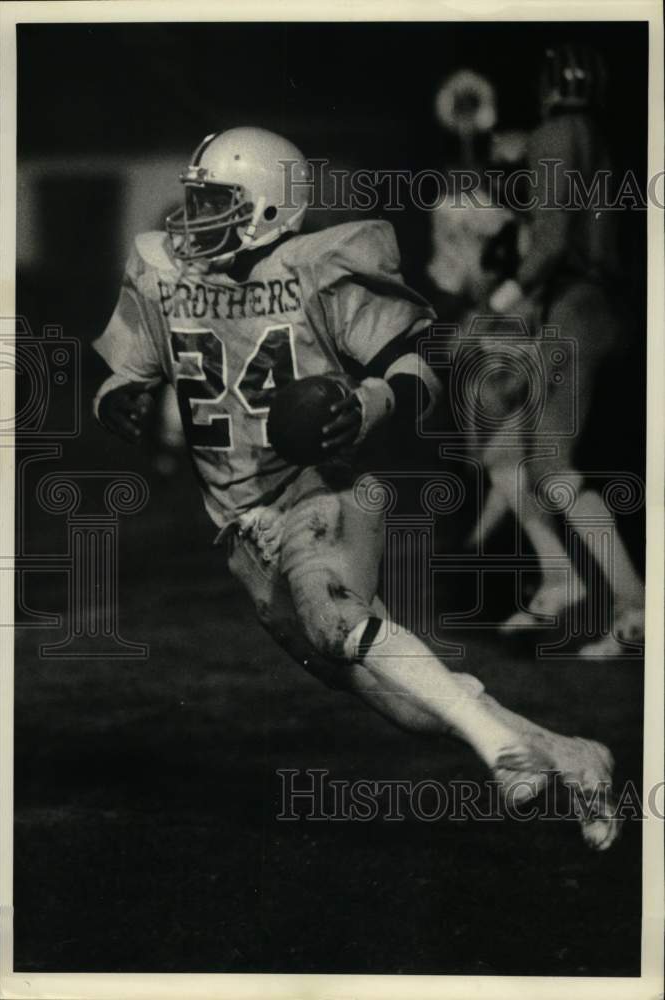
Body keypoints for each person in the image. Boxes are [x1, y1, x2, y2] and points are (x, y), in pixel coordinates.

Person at [93, 125, 619, 849]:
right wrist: (114, 395)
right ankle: (569, 753)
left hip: (324, 487)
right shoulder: (165, 271)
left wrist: (366, 403)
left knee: (336, 622)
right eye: (196, 201)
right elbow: (127, 367)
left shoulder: (320, 264)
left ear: (270, 208)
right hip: (241, 522)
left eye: (216, 203)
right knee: (402, 702)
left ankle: (501, 754)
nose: (193, 219)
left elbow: (414, 365)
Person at [470, 44, 645, 651]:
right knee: (504, 456)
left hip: (575, 309)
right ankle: (560, 578)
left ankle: (635, 609)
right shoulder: (599, 134)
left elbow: (547, 247)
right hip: (603, 309)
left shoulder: (553, 134)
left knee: (547, 466)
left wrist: (492, 308)